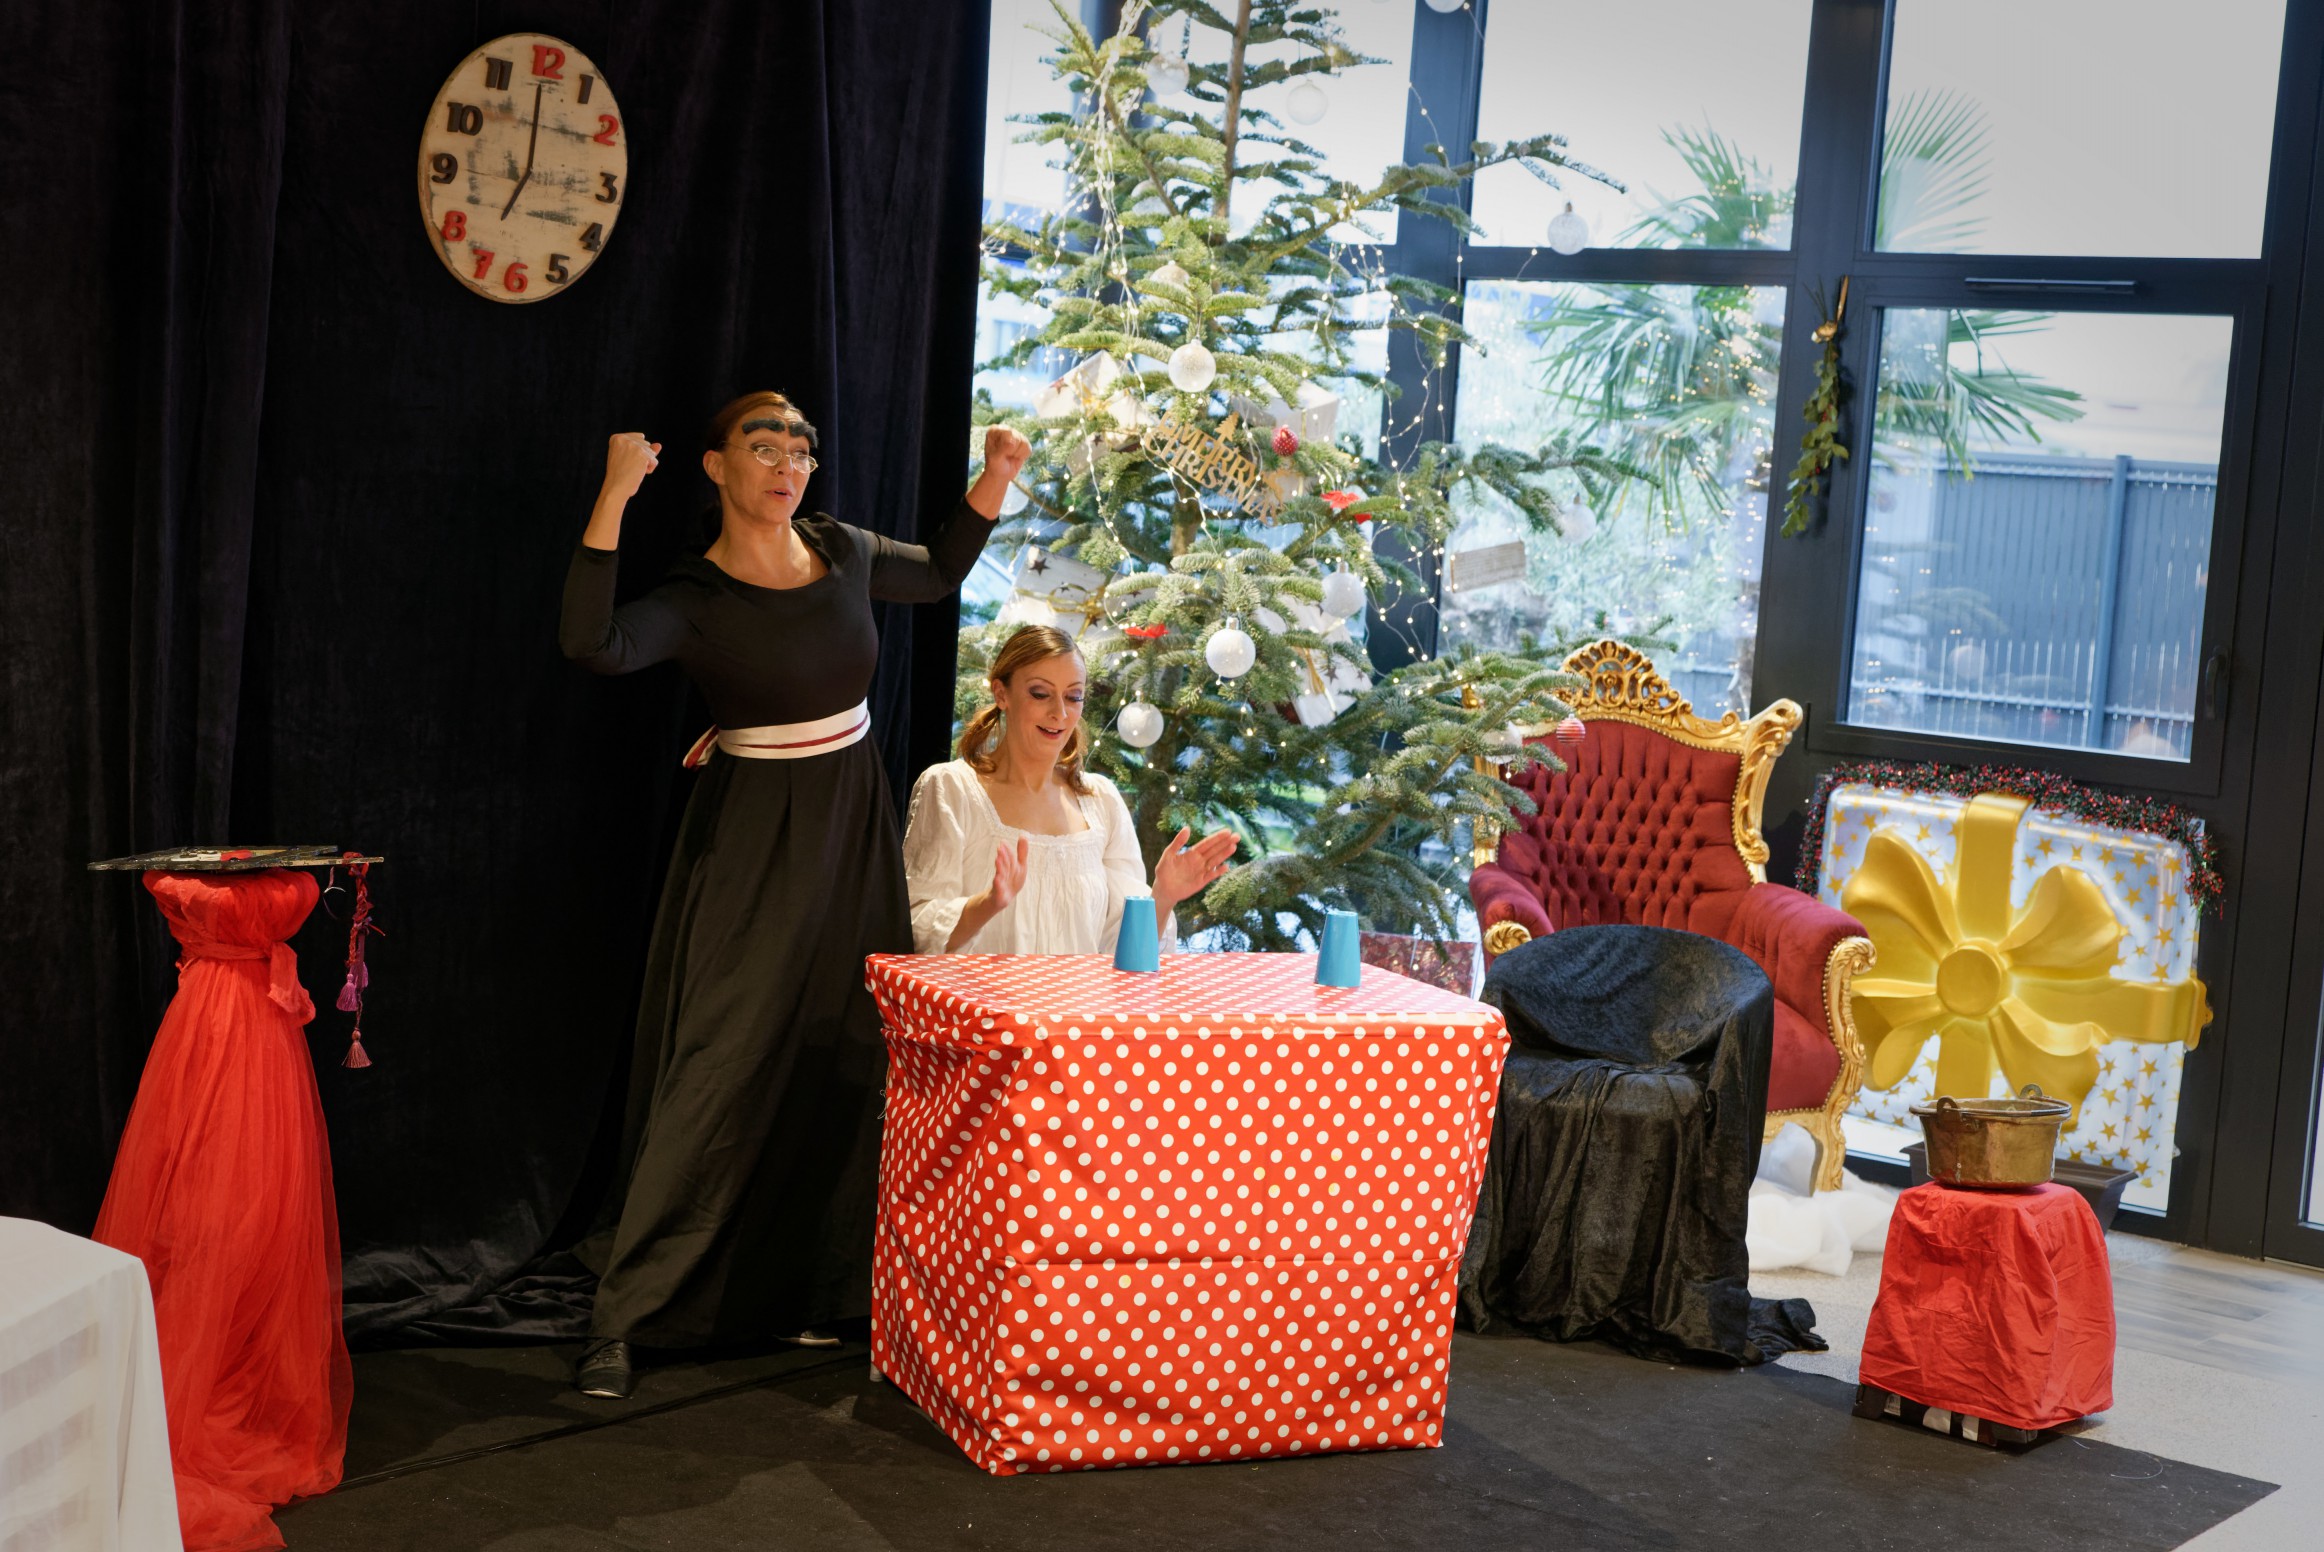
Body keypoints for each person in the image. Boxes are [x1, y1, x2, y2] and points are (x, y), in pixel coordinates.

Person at [558, 391, 1029, 1398]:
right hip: (754, 834)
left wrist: (994, 472)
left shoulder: (843, 551)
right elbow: (590, 645)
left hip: (849, 820)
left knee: (846, 1046)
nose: (785, 464)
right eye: (761, 447)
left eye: (800, 449)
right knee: (722, 1055)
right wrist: (612, 493)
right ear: (717, 466)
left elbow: (942, 570)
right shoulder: (697, 594)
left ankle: (818, 1292)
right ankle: (625, 1315)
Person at [903, 624, 1236, 954]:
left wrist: (1163, 896)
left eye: (1073, 696)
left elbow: (1120, 955)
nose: (1059, 713)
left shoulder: (1100, 801)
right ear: (1001, 693)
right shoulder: (951, 788)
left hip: (1077, 1008)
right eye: (1040, 694)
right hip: (983, 1007)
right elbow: (917, 930)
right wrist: (988, 904)